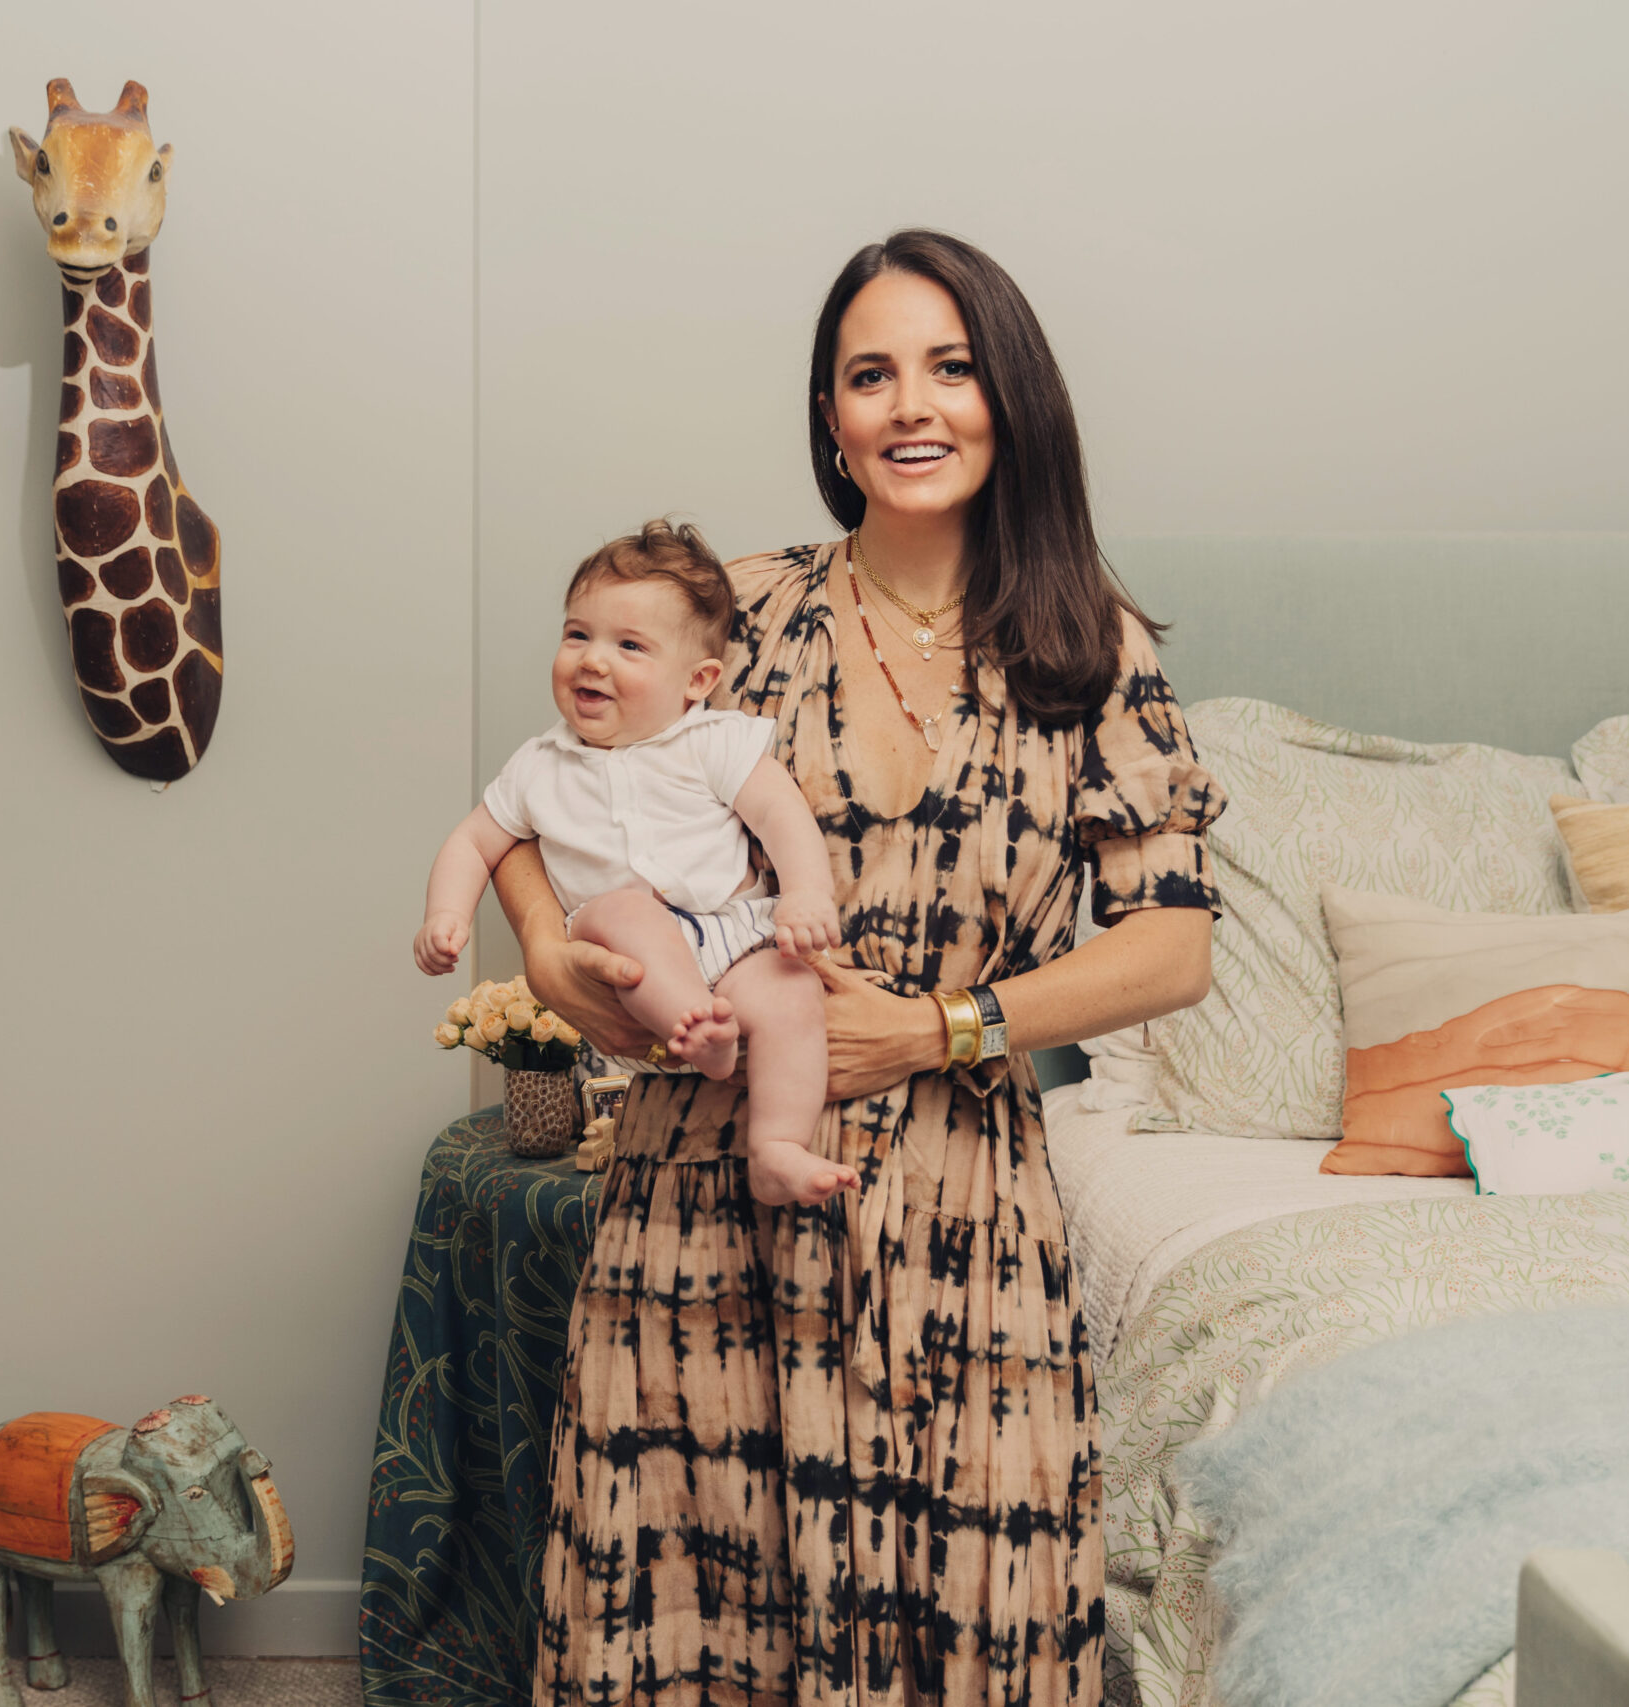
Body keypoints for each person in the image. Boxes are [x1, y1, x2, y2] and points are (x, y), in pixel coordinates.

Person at [508, 230, 1227, 1703]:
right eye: (871, 374)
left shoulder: (1094, 645)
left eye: (952, 368)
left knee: (979, 1622)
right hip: (702, 1191)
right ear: (831, 418)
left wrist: (936, 1028)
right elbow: (531, 803)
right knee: (691, 1609)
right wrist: (539, 944)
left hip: (965, 1204)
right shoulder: (740, 611)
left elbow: (1173, 943)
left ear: (1010, 395)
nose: (914, 405)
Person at [415, 521, 859, 1206]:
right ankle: (699, 1030)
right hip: (629, 955)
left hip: (733, 936)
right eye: (577, 635)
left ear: (697, 680)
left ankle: (778, 1146)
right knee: (623, 907)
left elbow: (781, 814)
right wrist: (445, 914)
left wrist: (805, 892)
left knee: (794, 993)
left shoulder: (710, 740)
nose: (593, 660)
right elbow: (475, 841)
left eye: (628, 645)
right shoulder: (540, 764)